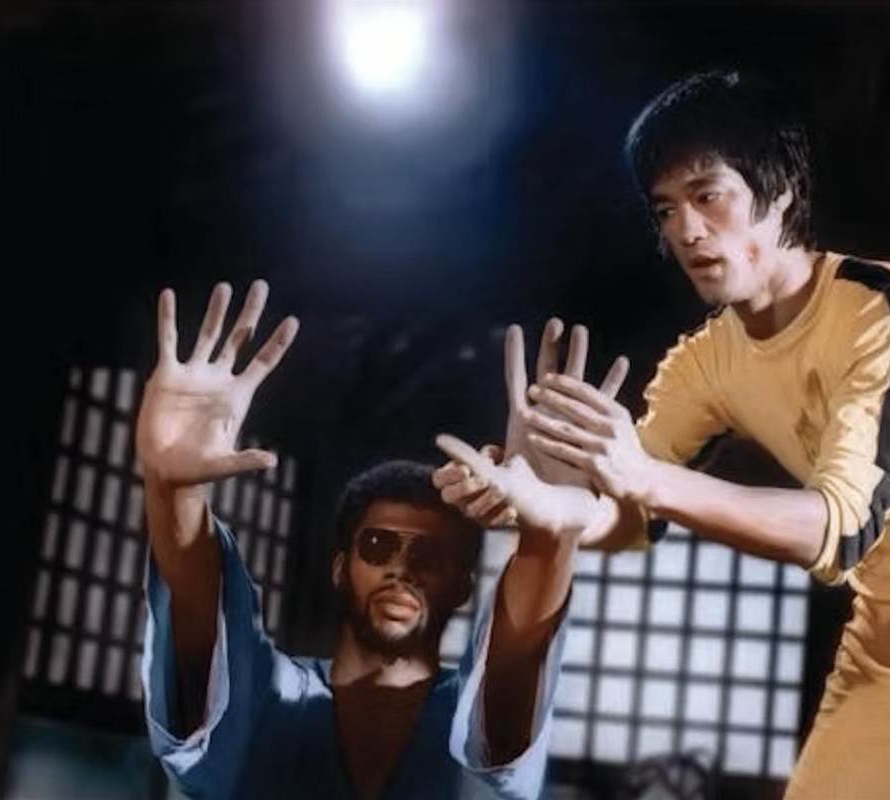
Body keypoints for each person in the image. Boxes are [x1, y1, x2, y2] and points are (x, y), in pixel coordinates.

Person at [439, 71, 890, 799]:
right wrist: (559, 512)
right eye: (666, 209)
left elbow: (841, 529)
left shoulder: (885, 310)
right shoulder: (705, 361)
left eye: (708, 195)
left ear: (779, 193)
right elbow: (636, 515)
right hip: (886, 654)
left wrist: (643, 478)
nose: (686, 230)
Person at [136, 279, 609, 799]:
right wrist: (172, 492)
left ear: (462, 586)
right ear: (342, 568)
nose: (401, 568)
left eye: (429, 556)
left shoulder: (474, 721)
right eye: (379, 545)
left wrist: (550, 535)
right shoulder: (271, 699)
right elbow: (201, 621)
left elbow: (515, 662)